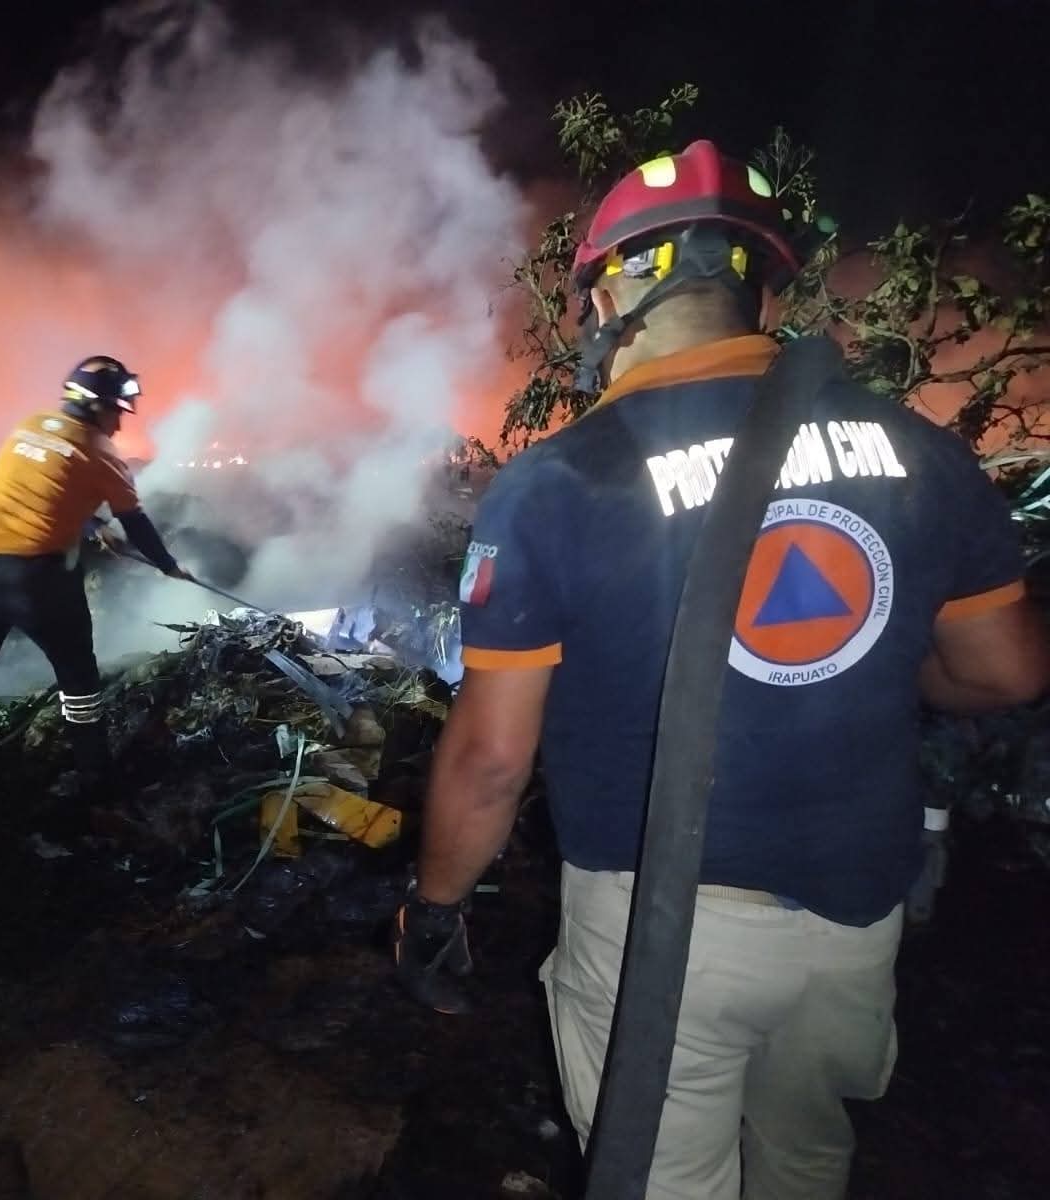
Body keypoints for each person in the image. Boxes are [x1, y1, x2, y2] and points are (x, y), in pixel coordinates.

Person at [394, 140, 1050, 1199]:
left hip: (661, 938)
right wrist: (881, 672)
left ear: (613, 288)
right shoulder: (915, 448)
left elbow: (490, 763)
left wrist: (433, 908)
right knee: (804, 1161)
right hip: (854, 921)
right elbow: (1006, 673)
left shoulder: (566, 478)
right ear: (762, 286)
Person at [0, 355, 192, 808]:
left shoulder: (28, 427)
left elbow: (38, 491)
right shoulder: (102, 455)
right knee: (79, 682)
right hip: (37, 582)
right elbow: (136, 523)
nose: (120, 424)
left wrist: (87, 526)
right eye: (116, 411)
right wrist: (166, 564)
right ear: (96, 406)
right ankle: (95, 783)